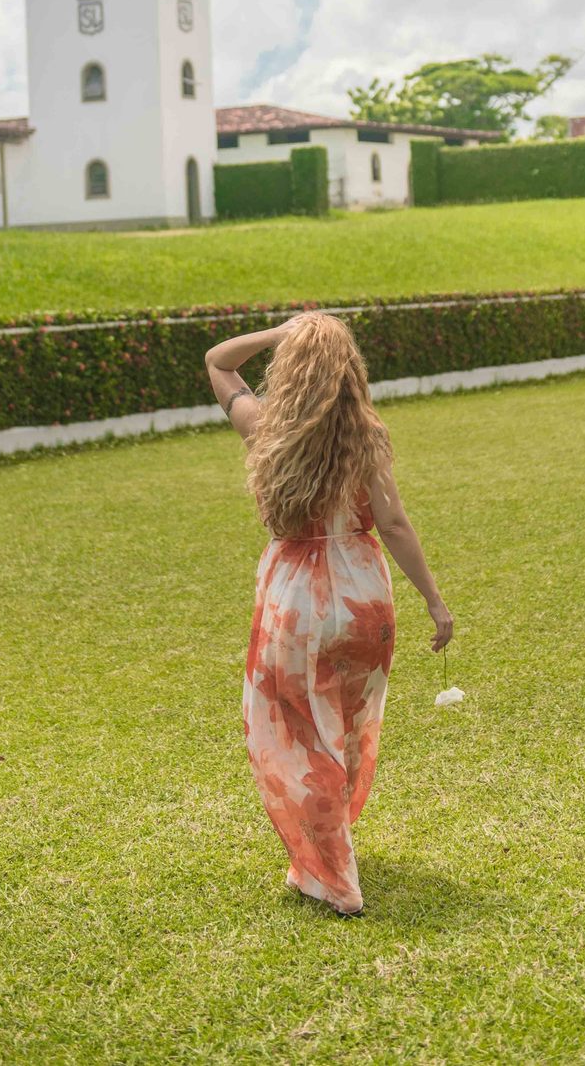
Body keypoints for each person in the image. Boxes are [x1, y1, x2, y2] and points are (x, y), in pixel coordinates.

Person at [205, 308, 454, 917]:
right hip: (364, 597)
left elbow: (218, 361)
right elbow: (392, 523)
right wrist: (434, 600)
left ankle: (332, 876)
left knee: (295, 733)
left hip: (296, 601)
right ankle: (328, 849)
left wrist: (284, 333)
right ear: (350, 371)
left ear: (290, 370)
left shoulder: (265, 428)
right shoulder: (365, 437)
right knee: (345, 726)